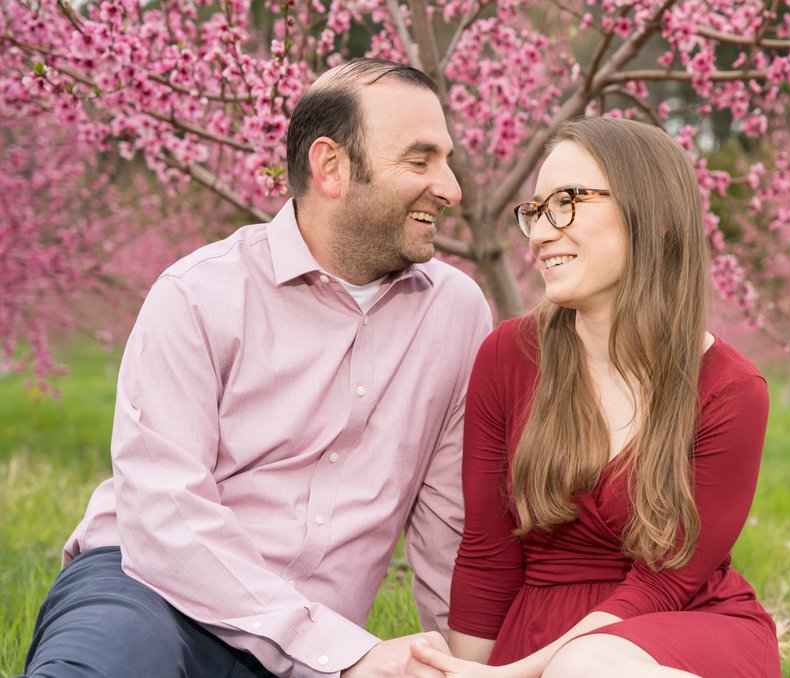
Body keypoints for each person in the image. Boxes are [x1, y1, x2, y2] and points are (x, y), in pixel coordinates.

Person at [21, 59, 492, 678]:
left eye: (447, 160)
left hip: (310, 650)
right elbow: (165, 517)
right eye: (420, 160)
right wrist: (344, 655)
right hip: (147, 593)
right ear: (331, 167)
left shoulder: (455, 314)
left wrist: (466, 665)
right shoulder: (197, 294)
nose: (451, 187)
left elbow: (447, 528)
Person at [409, 117, 781, 678]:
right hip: (537, 633)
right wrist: (470, 674)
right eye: (534, 211)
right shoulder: (508, 357)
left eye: (567, 201)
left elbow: (668, 580)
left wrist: (511, 677)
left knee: (587, 668)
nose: (538, 234)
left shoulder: (731, 389)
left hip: (681, 629)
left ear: (647, 213)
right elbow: (488, 554)